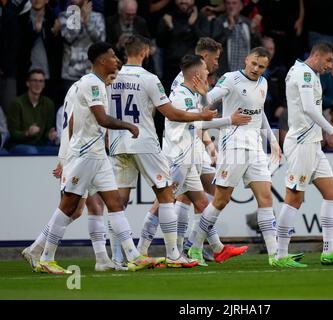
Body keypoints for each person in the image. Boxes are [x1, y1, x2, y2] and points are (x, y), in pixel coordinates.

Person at [35, 42, 155, 274]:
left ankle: (134, 255)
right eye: (112, 56)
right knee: (70, 206)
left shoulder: (96, 84)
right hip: (85, 153)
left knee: (115, 203)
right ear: (101, 60)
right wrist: (128, 125)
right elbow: (101, 118)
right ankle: (46, 257)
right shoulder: (92, 83)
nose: (116, 60)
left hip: (98, 153)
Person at [107, 35, 216, 267]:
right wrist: (202, 115)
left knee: (118, 202)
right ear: (145, 51)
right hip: (144, 142)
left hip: (118, 142)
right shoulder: (149, 78)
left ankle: (118, 258)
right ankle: (174, 254)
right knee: (166, 196)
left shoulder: (112, 78)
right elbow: (172, 114)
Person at [21, 73, 127, 272]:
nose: (113, 79)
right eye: (112, 74)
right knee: (72, 207)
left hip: (85, 155)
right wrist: (64, 159)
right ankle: (41, 251)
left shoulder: (79, 89)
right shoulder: (91, 89)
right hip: (80, 155)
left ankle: (102, 259)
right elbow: (71, 126)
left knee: (91, 207)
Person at [186, 47, 282, 266]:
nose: (256, 69)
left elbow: (260, 113)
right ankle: (195, 247)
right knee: (221, 199)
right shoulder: (230, 79)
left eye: (262, 67)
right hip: (234, 145)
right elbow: (207, 101)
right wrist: (202, 93)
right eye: (254, 64)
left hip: (256, 147)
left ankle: (276, 255)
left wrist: (272, 140)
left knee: (265, 197)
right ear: (246, 60)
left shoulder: (263, 83)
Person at [163, 54, 251, 266]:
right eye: (204, 69)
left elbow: (203, 115)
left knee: (202, 203)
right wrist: (230, 120)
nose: (208, 72)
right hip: (178, 157)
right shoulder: (181, 96)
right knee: (163, 203)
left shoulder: (192, 94)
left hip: (189, 157)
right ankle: (158, 252)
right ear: (196, 73)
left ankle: (218, 249)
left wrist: (203, 96)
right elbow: (201, 123)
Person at [274, 43, 333, 268]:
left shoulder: (307, 71)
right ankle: (281, 254)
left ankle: (329, 250)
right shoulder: (303, 74)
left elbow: (325, 64)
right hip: (302, 143)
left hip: (312, 144)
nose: (330, 66)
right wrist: (332, 130)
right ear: (316, 56)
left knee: (332, 193)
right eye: (329, 61)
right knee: (294, 198)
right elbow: (309, 108)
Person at [6, 69, 58, 155]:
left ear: (44, 84)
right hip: (19, 145)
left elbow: (48, 130)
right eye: (34, 81)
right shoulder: (17, 103)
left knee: (58, 151)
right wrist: (27, 133)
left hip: (40, 145)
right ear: (28, 83)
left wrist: (50, 135)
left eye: (41, 81)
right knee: (31, 151)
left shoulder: (48, 103)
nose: (38, 84)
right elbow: (13, 133)